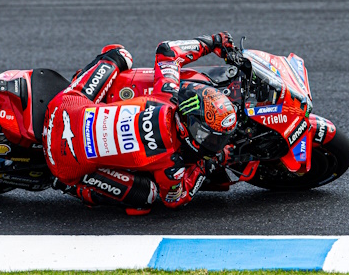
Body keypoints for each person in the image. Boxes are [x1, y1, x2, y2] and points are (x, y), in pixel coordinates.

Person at [42, 32, 247, 215]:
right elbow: (175, 199)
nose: (214, 142)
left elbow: (167, 51)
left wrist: (212, 42)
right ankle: (70, 186)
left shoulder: (167, 94)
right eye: (210, 137)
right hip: (65, 166)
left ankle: (81, 79)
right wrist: (210, 162)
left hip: (63, 107)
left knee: (119, 54)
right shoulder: (170, 163)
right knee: (146, 197)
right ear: (187, 129)